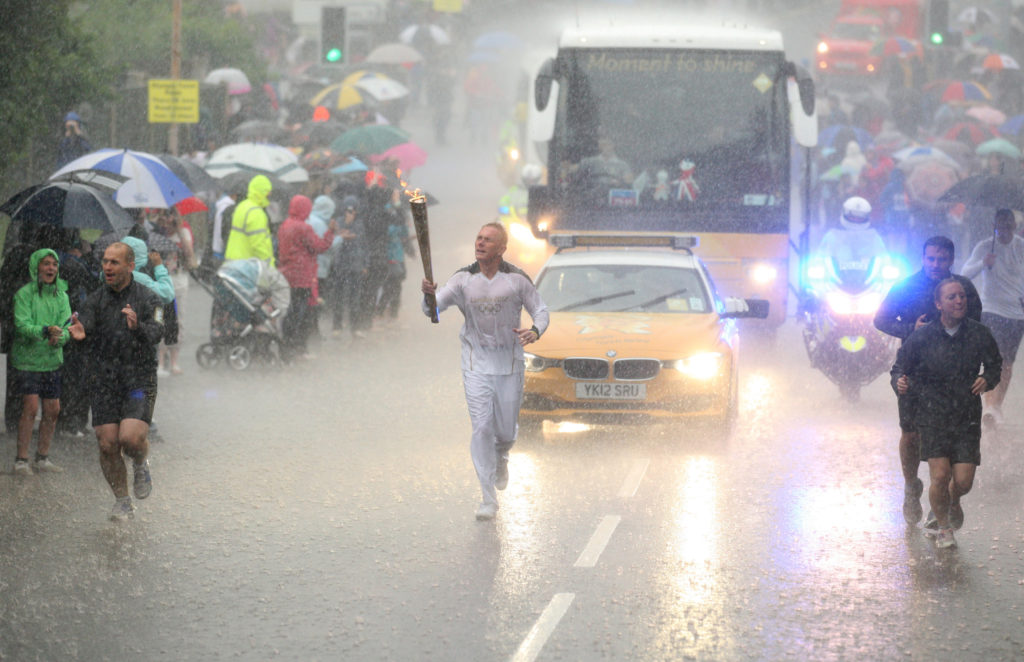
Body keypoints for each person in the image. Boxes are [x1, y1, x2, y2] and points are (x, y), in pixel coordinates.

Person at [421, 222, 550, 521]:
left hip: (509, 362)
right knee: (481, 427)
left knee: (504, 431)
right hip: (475, 362)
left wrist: (535, 331)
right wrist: (428, 296)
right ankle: (487, 499)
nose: (480, 243)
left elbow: (541, 311)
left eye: (488, 240)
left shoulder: (516, 279)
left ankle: (502, 453)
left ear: (502, 248)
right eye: (478, 238)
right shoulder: (463, 279)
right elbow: (433, 312)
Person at [874, 235, 982, 525]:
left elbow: (977, 329)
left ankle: (945, 500)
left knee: (948, 439)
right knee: (911, 435)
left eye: (942, 259)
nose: (936, 264)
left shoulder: (963, 289)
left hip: (954, 378)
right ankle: (912, 486)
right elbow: (881, 319)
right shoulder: (906, 287)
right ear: (923, 258)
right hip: (913, 372)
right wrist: (912, 328)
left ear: (951, 260)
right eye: (931, 258)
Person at [891, 279, 1001, 549]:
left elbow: (995, 364)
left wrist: (987, 378)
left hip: (966, 416)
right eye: (952, 297)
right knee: (939, 475)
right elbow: (900, 367)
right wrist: (899, 382)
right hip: (933, 414)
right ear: (939, 304)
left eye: (961, 296)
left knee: (962, 481)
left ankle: (953, 500)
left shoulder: (979, 333)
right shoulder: (923, 336)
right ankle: (943, 527)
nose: (959, 301)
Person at [68, 243, 164, 521]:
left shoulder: (149, 298)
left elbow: (159, 330)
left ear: (131, 266)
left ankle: (140, 460)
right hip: (104, 379)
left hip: (138, 377)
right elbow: (82, 325)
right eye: (105, 262)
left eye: (114, 262)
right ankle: (122, 501)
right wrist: (77, 331)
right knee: (108, 444)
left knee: (130, 439)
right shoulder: (95, 300)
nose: (107, 267)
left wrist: (138, 327)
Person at [960, 209, 1024, 427]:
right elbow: (964, 272)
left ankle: (996, 406)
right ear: (994, 226)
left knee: (1007, 362)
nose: (1003, 231)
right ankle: (989, 406)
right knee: (993, 358)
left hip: (1016, 313)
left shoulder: (1020, 247)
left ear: (1014, 227)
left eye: (1008, 226)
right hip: (991, 310)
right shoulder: (985, 246)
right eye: (1000, 227)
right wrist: (983, 264)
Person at [11, 249, 72, 475]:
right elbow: (21, 325)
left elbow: (67, 326)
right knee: (30, 407)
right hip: (28, 361)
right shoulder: (24, 294)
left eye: (54, 264)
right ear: (36, 267)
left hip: (52, 361)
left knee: (53, 409)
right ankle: (21, 459)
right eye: (46, 264)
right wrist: (45, 331)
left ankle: (42, 457)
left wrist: (59, 337)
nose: (50, 269)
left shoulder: (62, 295)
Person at [276, 195, 337, 361]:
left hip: (286, 274)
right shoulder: (304, 228)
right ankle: (298, 347)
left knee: (289, 312)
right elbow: (320, 246)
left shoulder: (285, 225)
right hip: (302, 276)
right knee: (301, 313)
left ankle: (286, 347)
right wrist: (330, 232)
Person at [151, 210, 195, 376]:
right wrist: (159, 227)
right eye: (165, 215)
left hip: (179, 280)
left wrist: (179, 232)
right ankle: (160, 361)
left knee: (177, 320)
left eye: (171, 216)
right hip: (162, 280)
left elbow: (190, 256)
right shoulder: (156, 232)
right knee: (161, 319)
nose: (168, 220)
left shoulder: (183, 232)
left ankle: (174, 361)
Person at [328, 196, 367, 338]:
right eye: (347, 210)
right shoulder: (338, 222)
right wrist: (344, 227)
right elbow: (335, 240)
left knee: (355, 298)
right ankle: (336, 327)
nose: (349, 213)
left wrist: (365, 264)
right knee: (338, 297)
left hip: (355, 266)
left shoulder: (360, 224)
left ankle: (355, 328)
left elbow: (363, 245)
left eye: (352, 210)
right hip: (340, 266)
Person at [818, 196, 888, 271]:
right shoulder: (832, 236)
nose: (856, 220)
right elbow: (821, 257)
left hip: (870, 279)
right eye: (853, 217)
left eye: (860, 217)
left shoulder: (874, 237)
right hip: (834, 279)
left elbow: (883, 258)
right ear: (845, 213)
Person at [224, 174, 275, 267]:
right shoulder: (256, 212)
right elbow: (259, 245)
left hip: (233, 262)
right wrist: (269, 266)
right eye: (268, 191)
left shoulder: (243, 206)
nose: (270, 194)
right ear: (262, 192)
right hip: (247, 266)